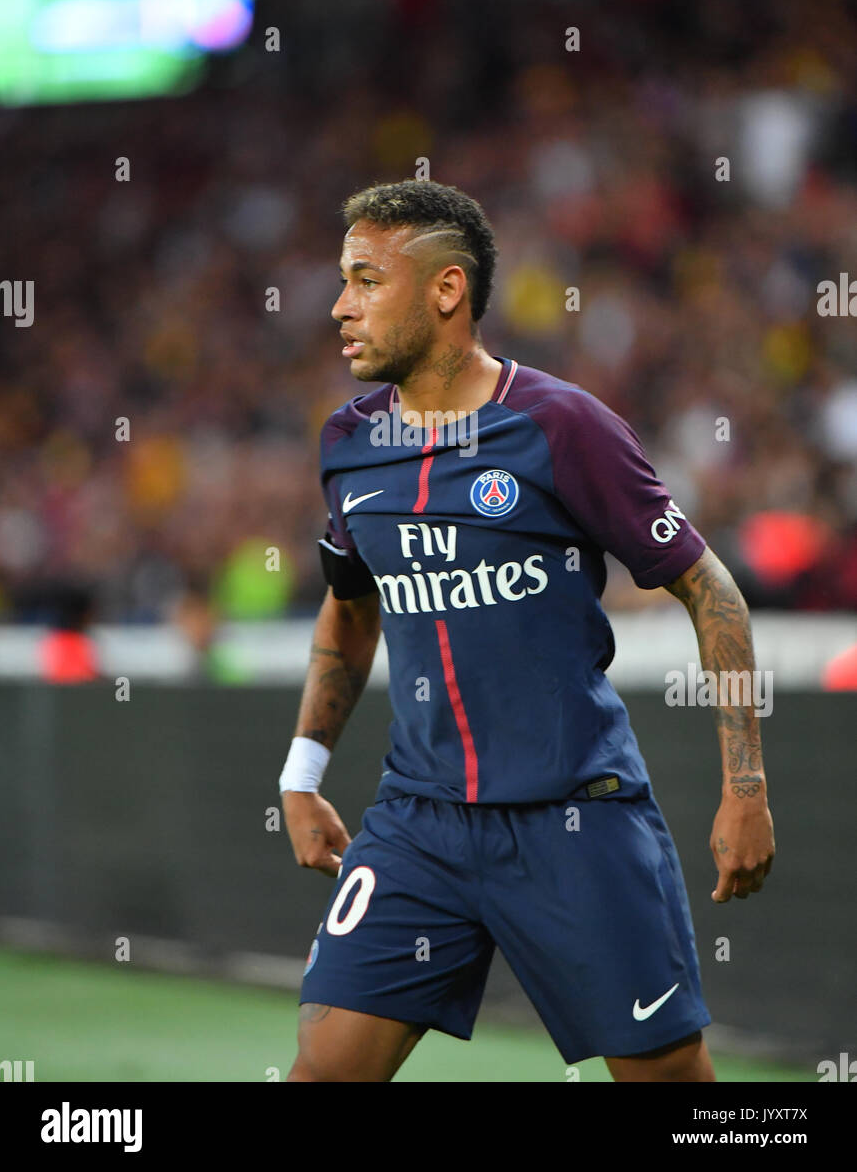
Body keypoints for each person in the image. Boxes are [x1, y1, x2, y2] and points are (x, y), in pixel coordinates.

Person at [280, 180, 775, 1083]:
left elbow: (714, 594)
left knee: (671, 1084)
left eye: (364, 279)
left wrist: (746, 786)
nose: (341, 306)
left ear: (446, 290)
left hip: (573, 821)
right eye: (341, 281)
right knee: (322, 1073)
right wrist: (303, 774)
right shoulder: (347, 444)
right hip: (418, 824)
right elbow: (351, 605)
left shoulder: (560, 426)